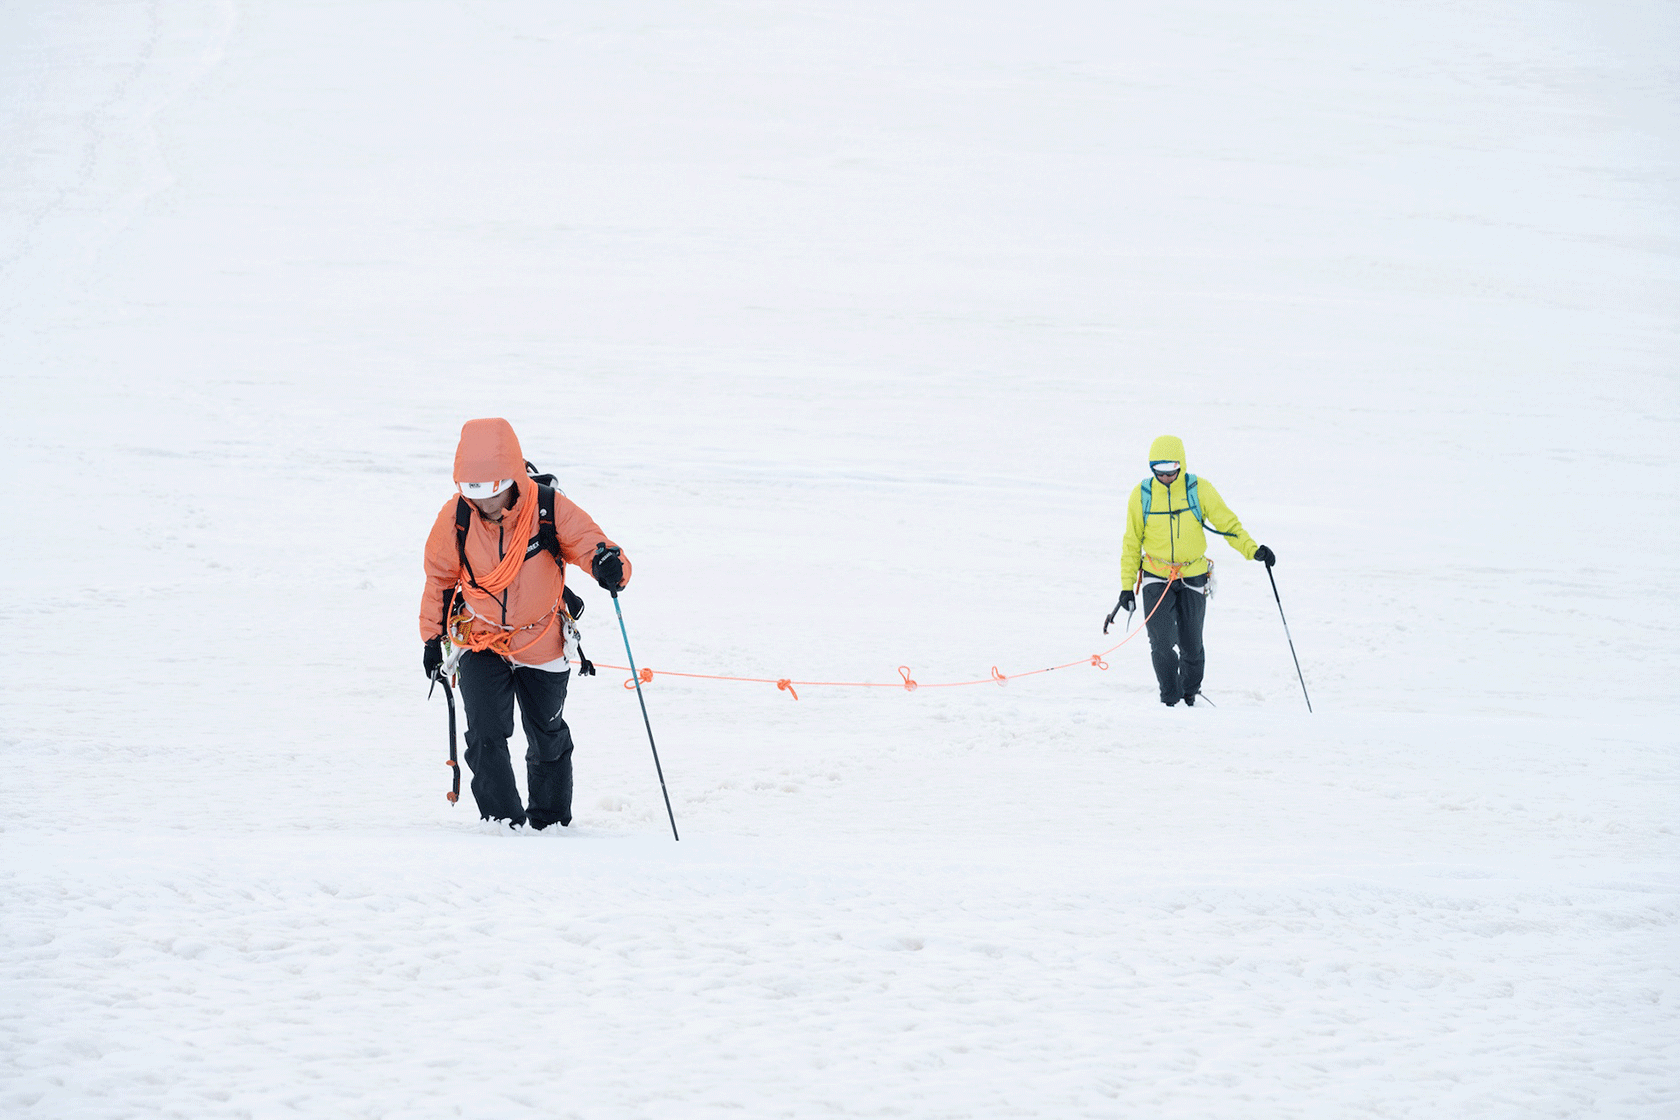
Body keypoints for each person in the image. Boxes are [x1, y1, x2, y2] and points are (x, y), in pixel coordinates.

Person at [419, 418, 630, 828]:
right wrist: (432, 639)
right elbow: (440, 580)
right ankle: (502, 823)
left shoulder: (549, 508)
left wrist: (610, 565)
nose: (484, 505)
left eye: (493, 494)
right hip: (481, 639)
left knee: (547, 735)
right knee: (485, 733)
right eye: (474, 494)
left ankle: (549, 824)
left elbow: (592, 544)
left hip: (543, 639)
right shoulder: (455, 518)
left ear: (512, 480)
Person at [1111, 435, 1274, 707]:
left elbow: (1228, 524)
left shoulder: (1199, 490)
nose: (1165, 477)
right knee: (1161, 642)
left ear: (1181, 465)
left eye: (1171, 471)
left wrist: (1252, 550)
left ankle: (1190, 695)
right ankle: (1170, 699)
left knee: (1191, 645)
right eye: (1159, 472)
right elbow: (1131, 542)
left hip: (1193, 575)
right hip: (1155, 574)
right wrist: (1127, 586)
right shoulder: (1142, 495)